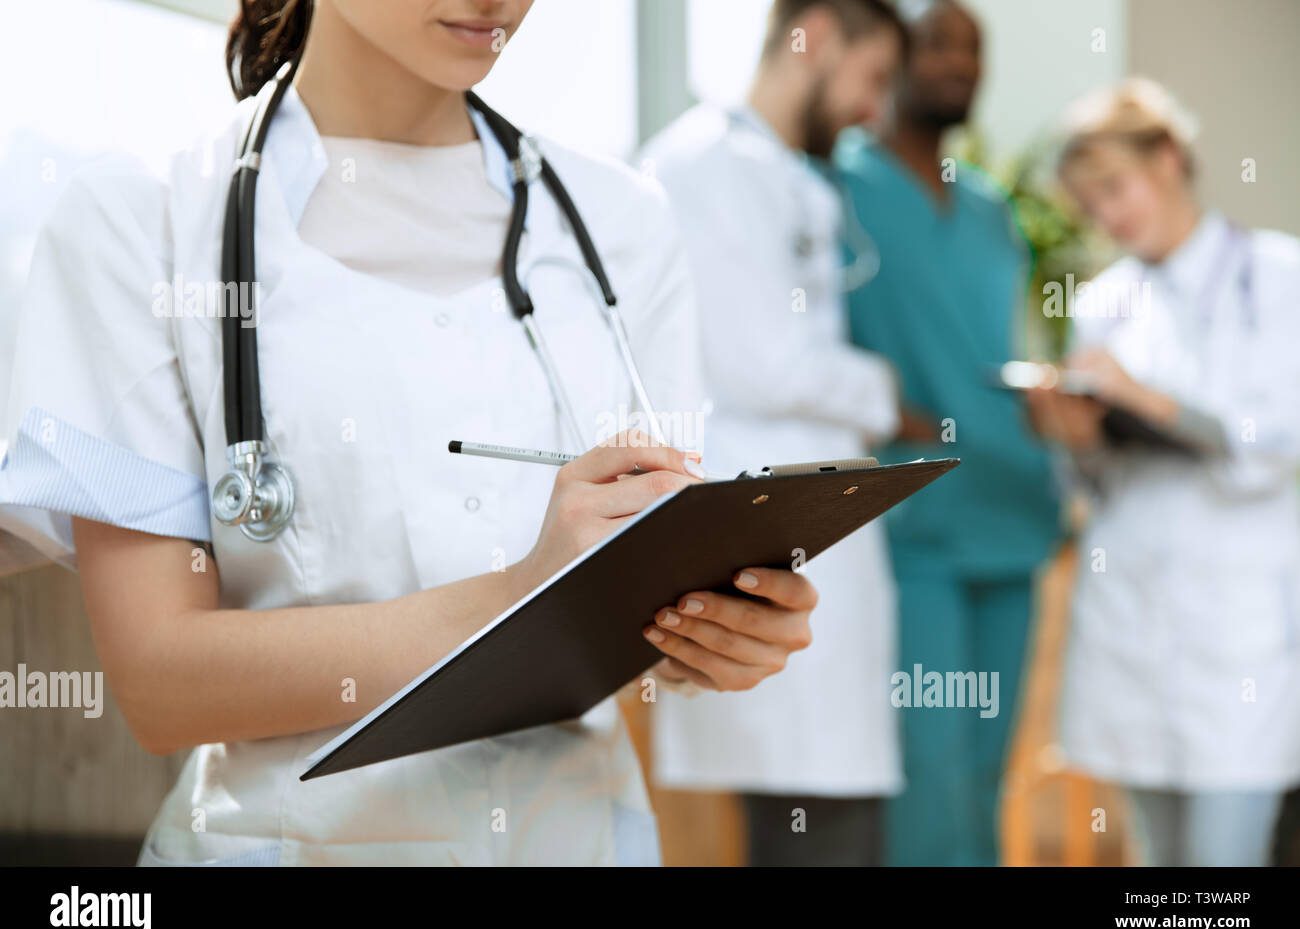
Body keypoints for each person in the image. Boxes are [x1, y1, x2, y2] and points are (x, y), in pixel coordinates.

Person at [0, 0, 819, 866]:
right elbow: (161, 684)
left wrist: (702, 635)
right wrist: (516, 599)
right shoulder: (145, 220)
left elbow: (638, 578)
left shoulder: (622, 222)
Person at [641, 0, 907, 867]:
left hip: (806, 532)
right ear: (818, 37)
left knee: (828, 811)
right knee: (810, 823)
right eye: (873, 78)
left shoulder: (778, 173)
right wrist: (882, 389)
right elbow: (767, 362)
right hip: (766, 524)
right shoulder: (706, 165)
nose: (875, 111)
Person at [1027, 77, 1300, 867]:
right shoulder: (1104, 302)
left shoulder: (1279, 279)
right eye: (1090, 203)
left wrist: (1152, 400)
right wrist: (1076, 434)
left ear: (1170, 158)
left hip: (1239, 626)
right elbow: (1098, 486)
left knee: (1225, 871)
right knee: (1157, 873)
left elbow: (1275, 444)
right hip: (1133, 621)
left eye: (1115, 187)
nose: (1108, 217)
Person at [832, 0, 1061, 866]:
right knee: (929, 766)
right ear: (890, 57)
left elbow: (1003, 344)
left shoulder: (993, 210)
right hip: (912, 517)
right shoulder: (839, 185)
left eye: (973, 48)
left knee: (988, 771)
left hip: (1015, 509)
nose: (959, 62)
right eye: (939, 44)